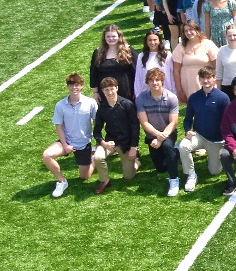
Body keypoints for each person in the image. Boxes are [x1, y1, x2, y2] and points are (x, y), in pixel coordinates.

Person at [45, 73, 98, 198]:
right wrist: (65, 145)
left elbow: (97, 123)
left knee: (84, 177)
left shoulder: (91, 103)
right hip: (67, 141)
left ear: (82, 86)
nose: (74, 87)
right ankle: (61, 181)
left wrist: (98, 142)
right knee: (47, 155)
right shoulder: (60, 105)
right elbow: (59, 126)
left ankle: (94, 156)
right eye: (71, 85)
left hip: (84, 143)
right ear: (67, 86)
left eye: (77, 85)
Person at [178, 66, 228, 191]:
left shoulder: (222, 97)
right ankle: (191, 174)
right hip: (199, 136)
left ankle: (212, 155)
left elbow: (228, 121)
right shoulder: (194, 97)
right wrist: (187, 130)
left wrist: (227, 140)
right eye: (203, 78)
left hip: (216, 140)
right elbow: (187, 119)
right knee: (183, 146)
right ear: (199, 79)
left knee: (215, 171)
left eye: (208, 78)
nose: (205, 81)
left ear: (214, 78)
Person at [90, 76, 139, 195]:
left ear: (117, 88)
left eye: (112, 89)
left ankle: (137, 160)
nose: (110, 92)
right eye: (106, 90)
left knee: (128, 176)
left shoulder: (127, 105)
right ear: (102, 91)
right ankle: (105, 181)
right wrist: (103, 143)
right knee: (98, 157)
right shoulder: (102, 108)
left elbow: (135, 127)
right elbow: (97, 131)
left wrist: (133, 147)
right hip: (110, 142)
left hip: (126, 144)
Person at [136, 68, 181, 196]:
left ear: (162, 81)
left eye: (157, 80)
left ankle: (174, 179)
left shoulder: (171, 98)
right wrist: (157, 136)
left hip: (169, 133)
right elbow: (144, 122)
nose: (155, 83)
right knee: (161, 168)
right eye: (151, 80)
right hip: (153, 135)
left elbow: (173, 122)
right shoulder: (141, 98)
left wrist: (161, 138)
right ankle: (177, 151)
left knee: (167, 146)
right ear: (147, 82)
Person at [173, 20, 218, 103]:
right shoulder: (181, 46)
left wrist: (215, 81)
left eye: (191, 29)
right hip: (188, 83)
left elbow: (217, 66)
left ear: (197, 30)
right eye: (186, 31)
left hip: (206, 82)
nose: (188, 33)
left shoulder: (207, 44)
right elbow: (176, 70)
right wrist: (179, 91)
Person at [90, 24, 135, 105]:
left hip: (126, 90)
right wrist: (95, 92)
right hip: (105, 92)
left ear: (119, 36)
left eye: (114, 36)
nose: (111, 39)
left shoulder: (128, 50)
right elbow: (93, 74)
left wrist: (136, 90)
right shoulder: (98, 52)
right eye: (108, 36)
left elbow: (136, 71)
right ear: (104, 38)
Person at [132, 29, 175, 99]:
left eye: (155, 40)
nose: (152, 43)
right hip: (147, 95)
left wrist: (174, 93)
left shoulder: (167, 55)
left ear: (159, 41)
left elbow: (172, 75)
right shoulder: (141, 56)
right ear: (146, 41)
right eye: (150, 40)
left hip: (165, 94)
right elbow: (138, 77)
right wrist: (138, 95)